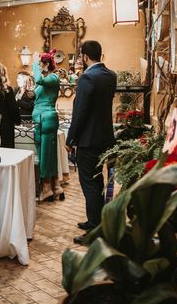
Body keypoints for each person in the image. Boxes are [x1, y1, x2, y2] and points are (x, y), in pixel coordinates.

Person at [66, 40, 117, 243]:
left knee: (89, 184)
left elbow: (80, 113)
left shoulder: (87, 78)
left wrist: (71, 139)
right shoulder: (110, 76)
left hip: (88, 140)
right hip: (106, 137)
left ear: (85, 57)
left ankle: (95, 230)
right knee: (98, 181)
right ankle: (95, 220)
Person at [32, 50, 65, 202]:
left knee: (45, 154)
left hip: (45, 118)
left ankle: (46, 188)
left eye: (40, 65)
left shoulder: (53, 77)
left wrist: (34, 62)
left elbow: (38, 79)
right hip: (41, 119)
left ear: (45, 64)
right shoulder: (48, 79)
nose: (39, 67)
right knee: (49, 153)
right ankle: (55, 185)